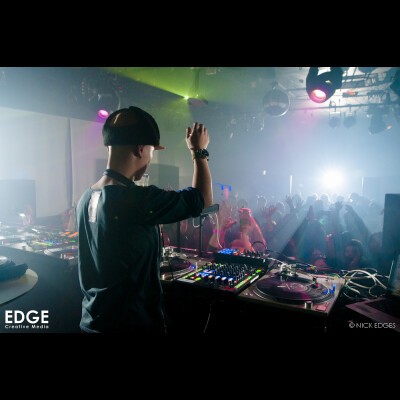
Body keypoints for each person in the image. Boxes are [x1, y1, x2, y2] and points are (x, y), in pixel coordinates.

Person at [76, 106, 212, 334]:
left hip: (92, 323)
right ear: (140, 149)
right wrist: (199, 151)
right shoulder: (135, 200)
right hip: (131, 327)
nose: (150, 158)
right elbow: (203, 199)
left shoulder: (86, 197)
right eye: (151, 151)